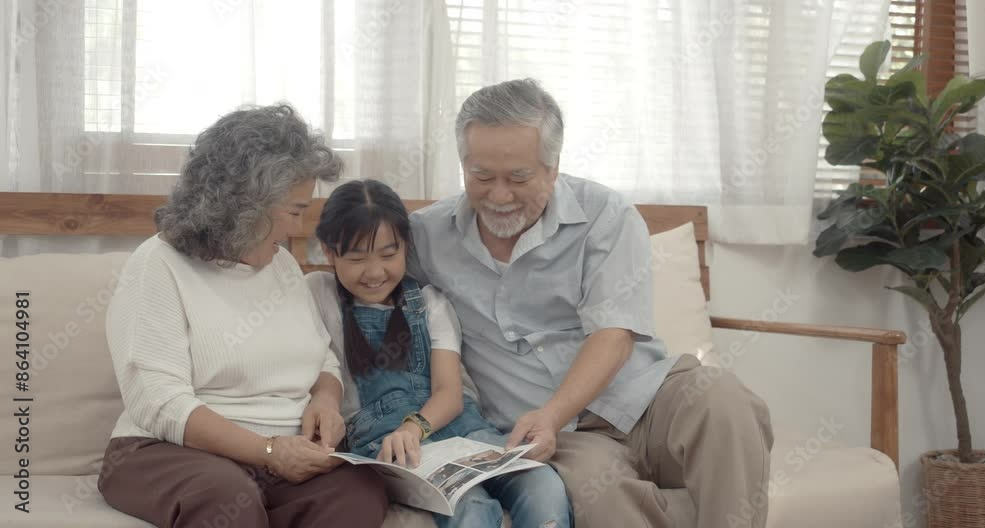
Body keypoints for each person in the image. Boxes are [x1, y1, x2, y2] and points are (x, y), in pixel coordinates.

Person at [407, 78, 775, 528]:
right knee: (596, 491)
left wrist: (552, 413)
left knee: (725, 399)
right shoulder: (426, 236)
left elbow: (614, 335)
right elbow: (356, 279)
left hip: (645, 398)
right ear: (463, 165)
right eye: (481, 177)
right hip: (557, 436)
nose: (499, 196)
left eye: (519, 177)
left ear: (553, 166)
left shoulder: (606, 215)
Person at [98, 104, 389, 528]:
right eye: (294, 210)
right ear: (245, 204)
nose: (298, 227)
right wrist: (268, 451)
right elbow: (158, 401)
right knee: (225, 495)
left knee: (358, 490)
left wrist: (325, 401)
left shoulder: (284, 266)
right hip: (169, 452)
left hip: (277, 456)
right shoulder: (157, 265)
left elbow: (322, 359)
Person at [305, 179, 573, 528]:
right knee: (472, 506)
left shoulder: (429, 302)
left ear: (406, 246)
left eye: (389, 254)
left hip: (461, 432)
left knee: (543, 484)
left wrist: (413, 428)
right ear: (329, 252)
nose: (374, 272)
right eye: (357, 258)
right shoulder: (318, 293)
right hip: (390, 448)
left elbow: (450, 394)